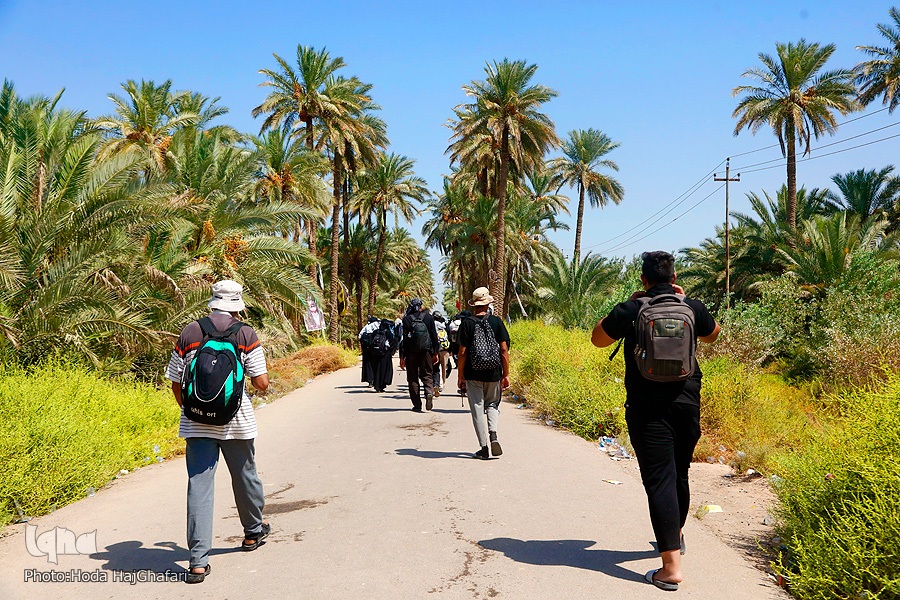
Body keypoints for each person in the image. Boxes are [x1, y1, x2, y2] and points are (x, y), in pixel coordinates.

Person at [590, 251, 720, 591]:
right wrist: (685, 303)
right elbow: (713, 335)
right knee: (679, 472)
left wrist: (631, 304)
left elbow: (598, 339)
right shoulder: (691, 306)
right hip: (687, 402)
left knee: (659, 479)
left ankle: (671, 569)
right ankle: (676, 535)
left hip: (647, 408)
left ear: (644, 279)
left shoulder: (633, 309)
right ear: (673, 278)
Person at [166, 280, 271, 584]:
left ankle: (198, 563)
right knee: (246, 476)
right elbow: (261, 383)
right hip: (236, 422)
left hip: (196, 423)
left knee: (199, 486)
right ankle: (252, 532)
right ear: (238, 304)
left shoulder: (190, 331)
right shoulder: (245, 333)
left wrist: (193, 410)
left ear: (212, 301)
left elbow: (175, 382)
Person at [456, 287, 511, 459]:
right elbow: (504, 349)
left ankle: (484, 448)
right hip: (493, 372)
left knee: (477, 410)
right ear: (488, 304)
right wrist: (506, 374)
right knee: (493, 404)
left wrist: (460, 376)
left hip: (473, 374)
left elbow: (462, 353)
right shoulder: (496, 322)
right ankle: (493, 433)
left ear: (474, 304)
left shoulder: (466, 323)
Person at [399, 298, 439, 411]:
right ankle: (428, 392)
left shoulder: (407, 319)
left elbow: (404, 339)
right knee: (427, 374)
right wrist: (435, 352)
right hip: (426, 351)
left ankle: (417, 405)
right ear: (421, 306)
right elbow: (434, 336)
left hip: (411, 353)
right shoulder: (429, 317)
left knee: (412, 378)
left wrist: (402, 356)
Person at [432, 310, 451, 395]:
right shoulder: (443, 325)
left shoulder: (432, 324)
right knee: (444, 367)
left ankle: (436, 383)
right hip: (444, 349)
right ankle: (442, 383)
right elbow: (449, 335)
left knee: (435, 367)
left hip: (435, 348)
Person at [358, 316, 380, 387]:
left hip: (366, 349)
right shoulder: (378, 326)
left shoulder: (366, 327)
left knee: (368, 364)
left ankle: (370, 381)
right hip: (375, 349)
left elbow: (360, 336)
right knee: (375, 364)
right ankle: (376, 380)